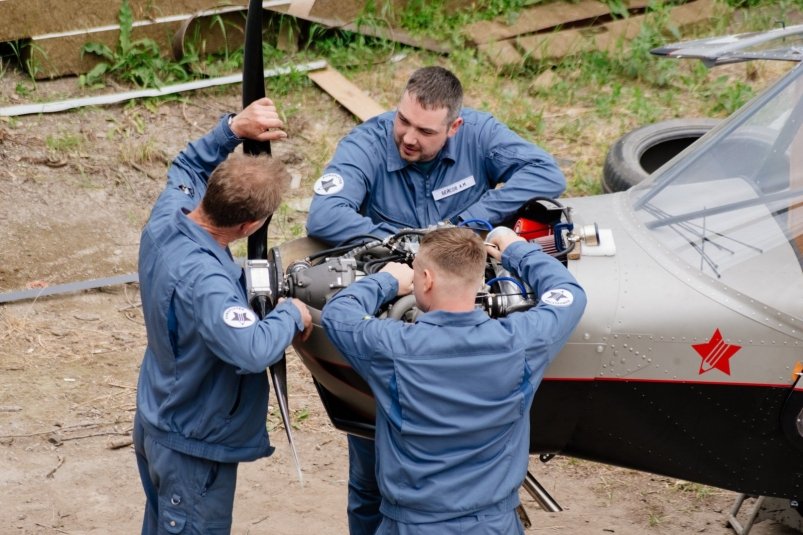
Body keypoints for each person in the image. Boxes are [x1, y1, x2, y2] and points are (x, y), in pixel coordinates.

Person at [306, 65, 567, 534]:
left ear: (455, 127)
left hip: (462, 315)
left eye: (425, 131)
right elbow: (325, 214)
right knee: (369, 471)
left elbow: (546, 173)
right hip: (397, 329)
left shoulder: (481, 135)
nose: (407, 137)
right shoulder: (368, 143)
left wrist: (470, 221)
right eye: (402, 121)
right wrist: (402, 245)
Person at [321, 226, 586, 534]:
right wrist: (516, 248)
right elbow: (570, 295)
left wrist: (387, 279)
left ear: (426, 279)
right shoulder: (522, 342)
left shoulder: (393, 348)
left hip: (413, 525)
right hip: (494, 524)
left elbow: (338, 313)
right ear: (480, 279)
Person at [133, 97, 312, 534]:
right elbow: (251, 350)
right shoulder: (208, 284)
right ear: (249, 227)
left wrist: (234, 128)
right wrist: (291, 314)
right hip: (191, 448)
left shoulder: (167, 216)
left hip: (161, 416)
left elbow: (188, 165)